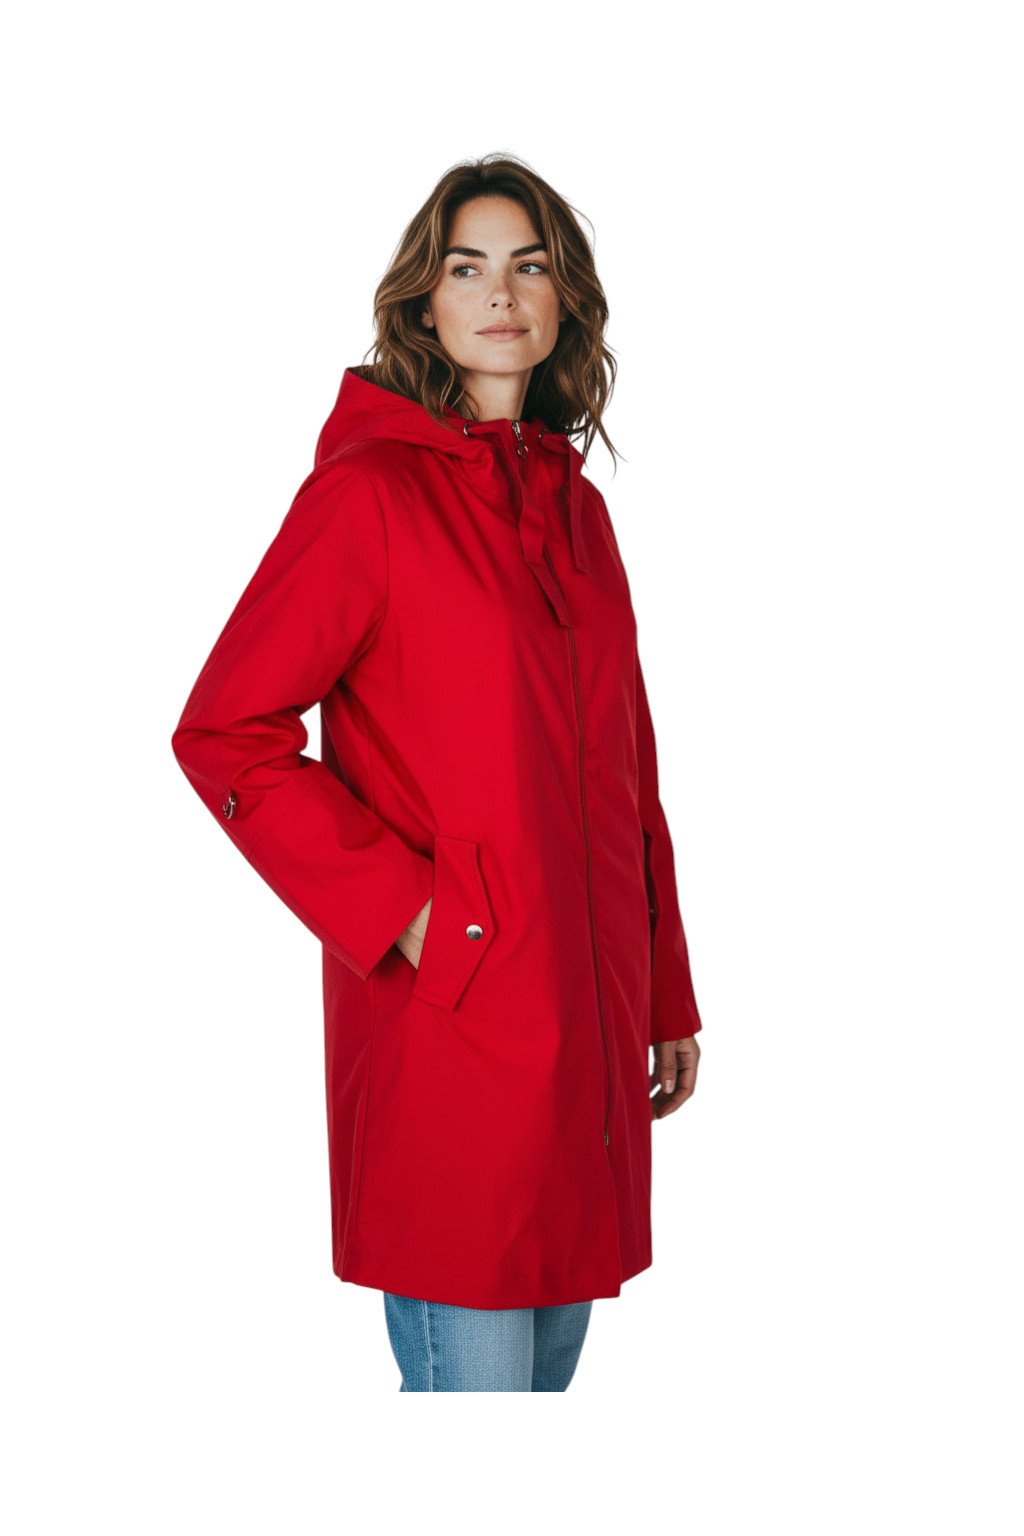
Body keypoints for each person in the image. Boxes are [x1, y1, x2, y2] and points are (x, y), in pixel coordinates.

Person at [171, 153, 704, 1393]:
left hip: (586, 1027)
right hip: (449, 1030)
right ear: (424, 300)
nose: (499, 295)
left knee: (541, 1401)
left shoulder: (577, 513)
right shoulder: (369, 496)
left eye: (529, 266)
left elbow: (627, 771)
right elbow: (226, 730)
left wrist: (663, 988)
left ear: (566, 299)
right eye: (467, 268)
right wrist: (404, 908)